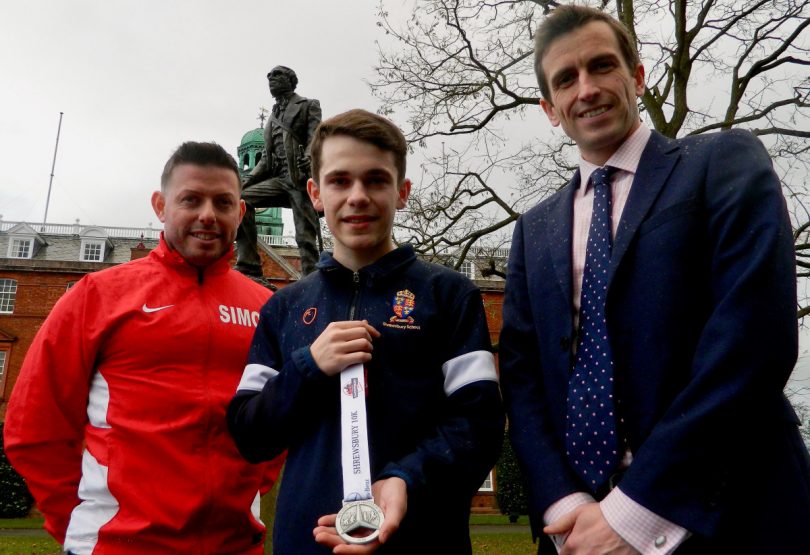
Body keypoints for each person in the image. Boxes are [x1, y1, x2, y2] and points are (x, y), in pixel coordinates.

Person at [499, 5, 810, 554]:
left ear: (637, 76)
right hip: (580, 531)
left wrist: (634, 510)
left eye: (602, 66)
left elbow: (753, 340)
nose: (587, 88)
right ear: (550, 109)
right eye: (566, 79)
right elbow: (523, 380)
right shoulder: (534, 230)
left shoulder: (721, 161)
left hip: (729, 512)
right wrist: (565, 505)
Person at [227, 109, 505, 554]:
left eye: (376, 180)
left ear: (402, 192)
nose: (358, 196)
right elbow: (248, 434)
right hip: (307, 542)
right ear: (315, 193)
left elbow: (481, 425)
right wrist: (308, 366)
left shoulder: (449, 295)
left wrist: (405, 479)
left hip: (422, 539)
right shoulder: (284, 308)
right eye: (340, 181)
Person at [4, 142, 284, 554]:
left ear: (240, 213)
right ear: (160, 205)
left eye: (222, 202)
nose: (208, 214)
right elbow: (34, 427)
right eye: (191, 199)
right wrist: (79, 524)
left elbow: (275, 427)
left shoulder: (266, 308)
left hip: (233, 545)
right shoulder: (97, 295)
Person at [235, 65, 322, 277]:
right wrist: (245, 183)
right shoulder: (273, 117)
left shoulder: (308, 105)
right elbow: (266, 157)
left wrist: (309, 158)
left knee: (305, 237)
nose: (271, 79)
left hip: (300, 179)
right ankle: (249, 265)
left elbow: (316, 137)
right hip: (280, 179)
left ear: (291, 81)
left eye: (277, 75)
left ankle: (313, 281)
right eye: (269, 76)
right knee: (241, 200)